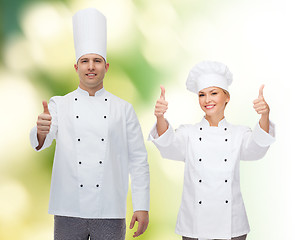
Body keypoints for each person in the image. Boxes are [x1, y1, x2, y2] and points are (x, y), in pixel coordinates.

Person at [30, 8, 150, 240]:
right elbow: (42, 140)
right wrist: (41, 132)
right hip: (68, 209)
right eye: (85, 61)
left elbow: (138, 160)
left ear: (107, 66)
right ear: (76, 67)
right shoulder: (59, 105)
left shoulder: (123, 109)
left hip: (110, 210)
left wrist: (141, 206)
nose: (91, 66)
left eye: (97, 61)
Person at [148, 61, 275, 240]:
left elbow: (257, 148)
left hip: (232, 226)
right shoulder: (188, 133)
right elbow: (167, 145)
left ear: (227, 97)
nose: (207, 100)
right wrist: (160, 116)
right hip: (194, 225)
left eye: (213, 93)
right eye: (202, 95)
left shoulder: (239, 133)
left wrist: (264, 115)